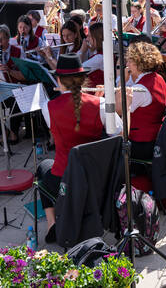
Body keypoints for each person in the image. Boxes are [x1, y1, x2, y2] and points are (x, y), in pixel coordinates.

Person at [37, 53, 122, 243]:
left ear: (58, 80)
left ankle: (52, 223)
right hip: (96, 179)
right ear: (84, 79)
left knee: (43, 168)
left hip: (64, 179)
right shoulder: (99, 104)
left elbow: (57, 135)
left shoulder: (48, 106)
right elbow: (119, 135)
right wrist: (104, 103)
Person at [116, 41, 166, 160]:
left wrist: (121, 81)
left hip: (140, 144)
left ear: (139, 63)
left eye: (130, 61)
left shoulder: (140, 89)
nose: (127, 65)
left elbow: (118, 109)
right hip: (152, 137)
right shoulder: (157, 77)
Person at [81, 22, 104, 87]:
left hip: (96, 94)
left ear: (97, 38)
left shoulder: (100, 58)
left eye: (89, 36)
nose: (87, 39)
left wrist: (82, 51)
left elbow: (77, 71)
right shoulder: (97, 53)